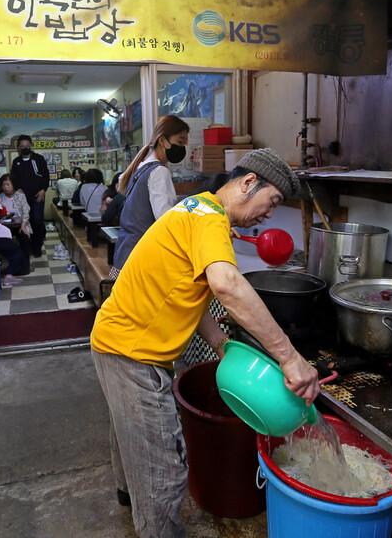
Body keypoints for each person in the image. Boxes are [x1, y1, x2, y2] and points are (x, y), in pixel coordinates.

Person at [90, 148, 319, 538]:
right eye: (272, 202)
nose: (269, 214)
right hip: (131, 352)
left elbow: (186, 294)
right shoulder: (210, 221)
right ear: (249, 183)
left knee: (130, 438)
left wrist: (221, 345)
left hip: (114, 339)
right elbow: (227, 286)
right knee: (163, 473)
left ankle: (129, 496)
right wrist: (290, 358)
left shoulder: (194, 208)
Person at [112, 115, 190, 277]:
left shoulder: (140, 168)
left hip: (125, 253)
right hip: (142, 257)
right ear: (162, 140)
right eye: (180, 141)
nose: (183, 147)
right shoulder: (159, 172)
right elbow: (165, 220)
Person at [10, 134, 49, 259]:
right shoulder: (16, 162)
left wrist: (43, 190)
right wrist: (18, 189)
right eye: (22, 146)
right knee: (24, 222)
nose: (25, 148)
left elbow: (45, 175)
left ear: (31, 146)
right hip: (22, 198)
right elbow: (13, 178)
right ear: (18, 148)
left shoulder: (39, 159)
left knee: (37, 220)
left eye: (27, 146)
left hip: (38, 195)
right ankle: (28, 247)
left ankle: (37, 247)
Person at [0, 173, 32, 273]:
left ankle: (25, 267)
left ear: (13, 185)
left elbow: (26, 211)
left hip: (20, 225)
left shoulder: (20, 196)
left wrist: (23, 225)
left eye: (8, 184)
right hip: (5, 226)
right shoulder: (0, 197)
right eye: (4, 185)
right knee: (1, 242)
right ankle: (11, 266)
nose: (6, 187)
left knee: (24, 237)